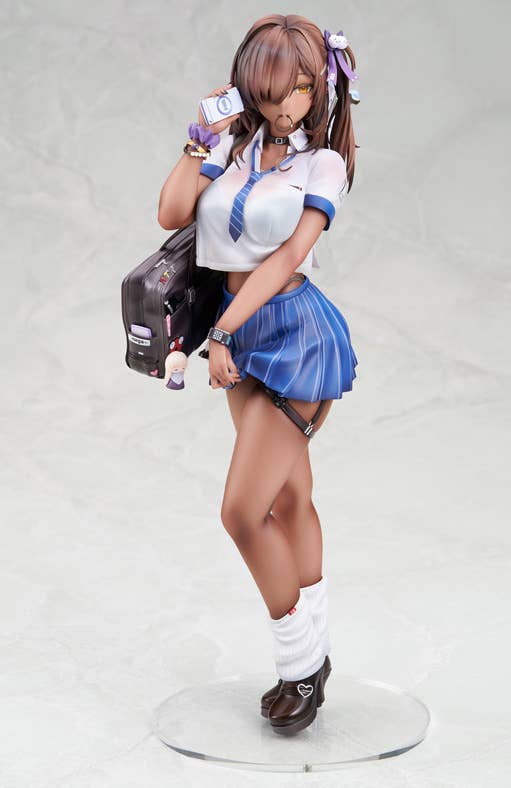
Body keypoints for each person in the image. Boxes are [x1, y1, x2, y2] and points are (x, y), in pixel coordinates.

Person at [158, 14, 360, 736]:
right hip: (237, 333)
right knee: (289, 497)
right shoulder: (235, 147)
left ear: (318, 87)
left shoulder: (322, 165)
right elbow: (171, 214)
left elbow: (285, 259)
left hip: (291, 334)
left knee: (243, 513)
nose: (284, 106)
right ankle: (316, 657)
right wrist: (199, 139)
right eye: (269, 90)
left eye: (299, 90)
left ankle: (300, 666)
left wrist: (220, 333)